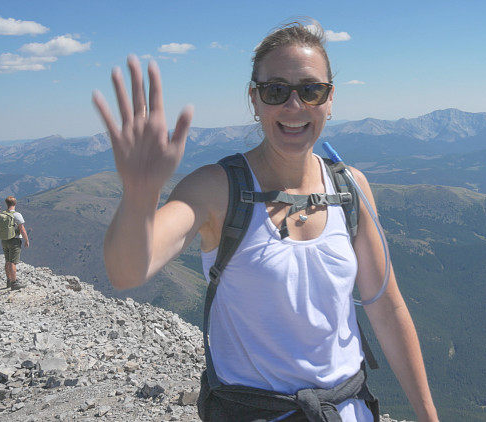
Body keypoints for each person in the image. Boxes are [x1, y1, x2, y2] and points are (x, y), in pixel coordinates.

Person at [94, 20, 438, 422]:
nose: (294, 107)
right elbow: (127, 270)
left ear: (330, 100)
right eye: (276, 91)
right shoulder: (216, 189)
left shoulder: (351, 187)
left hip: (349, 410)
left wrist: (428, 415)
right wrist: (139, 194)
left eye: (311, 90)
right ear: (254, 100)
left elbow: (388, 308)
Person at [0, 196, 30, 290]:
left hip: (4, 240)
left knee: (8, 260)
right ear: (15, 203)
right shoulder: (17, 215)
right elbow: (22, 228)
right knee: (13, 262)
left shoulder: (1, 214)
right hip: (14, 240)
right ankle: (14, 283)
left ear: (6, 204)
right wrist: (26, 240)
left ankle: (9, 280)